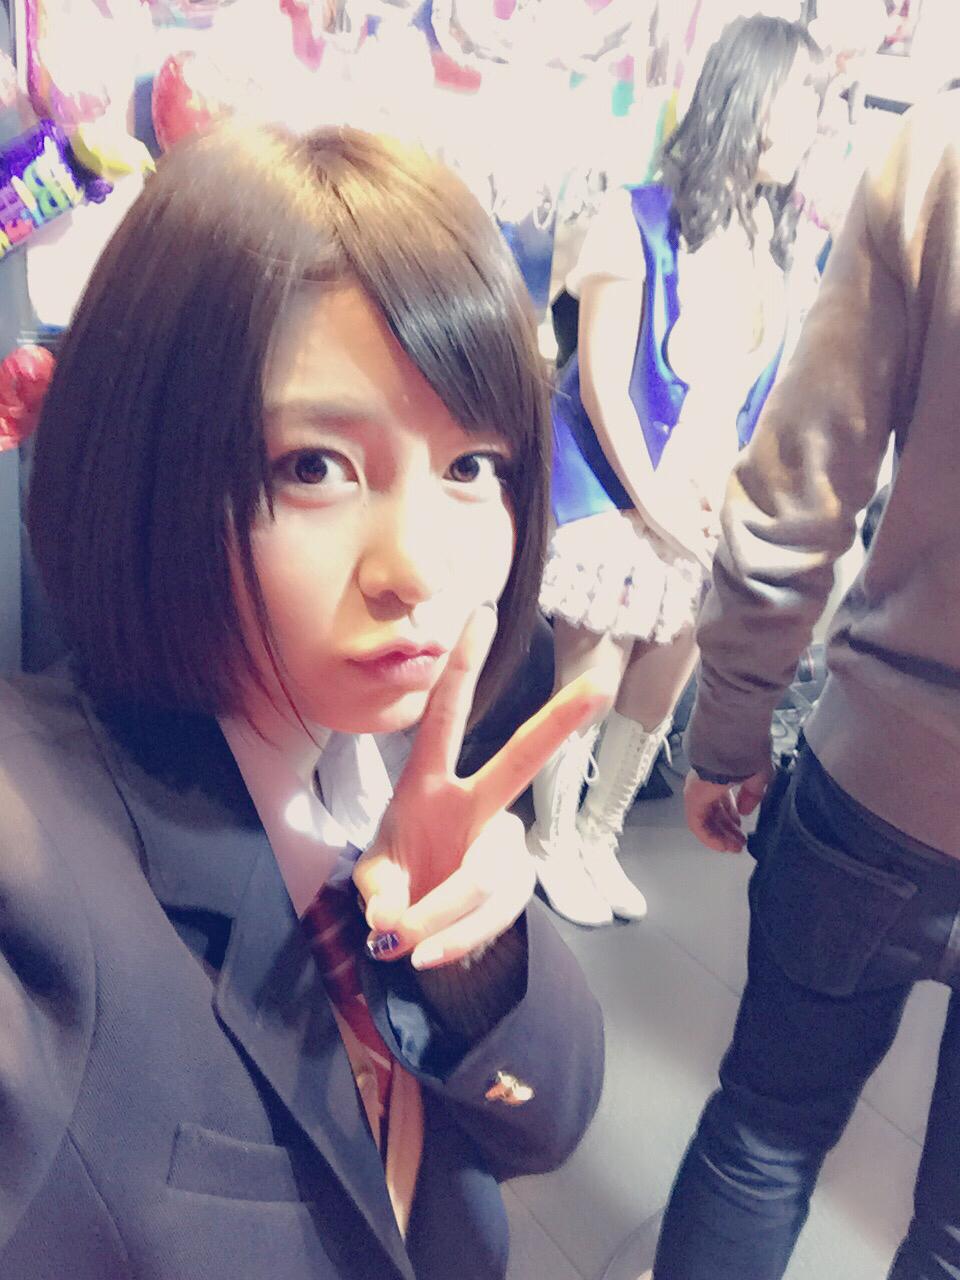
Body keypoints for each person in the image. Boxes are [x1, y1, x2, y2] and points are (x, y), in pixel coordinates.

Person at [2, 122, 607, 1280]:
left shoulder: (386, 778)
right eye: (315, 465)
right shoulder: (32, 867)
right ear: (151, 463)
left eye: (471, 466)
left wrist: (467, 958)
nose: (417, 565)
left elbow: (549, 1118)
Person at [650, 94, 960, 1279]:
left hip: (882, 780)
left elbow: (801, 481)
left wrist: (729, 728)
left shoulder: (939, 152)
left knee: (764, 1133)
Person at [526, 14, 823, 927]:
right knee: (591, 679)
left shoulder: (778, 250)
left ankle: (598, 838)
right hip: (611, 491)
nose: (814, 121)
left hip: (700, 507)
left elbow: (754, 399)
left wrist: (724, 502)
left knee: (658, 689)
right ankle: (549, 841)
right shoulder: (638, 221)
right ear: (748, 96)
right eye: (804, 97)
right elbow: (603, 387)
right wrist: (652, 504)